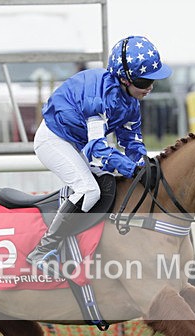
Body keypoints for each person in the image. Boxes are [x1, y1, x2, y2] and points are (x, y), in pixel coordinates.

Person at [26, 35, 172, 271]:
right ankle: (42, 250)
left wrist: (144, 164)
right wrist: (132, 168)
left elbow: (132, 142)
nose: (150, 88)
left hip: (77, 141)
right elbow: (97, 150)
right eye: (144, 82)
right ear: (124, 79)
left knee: (109, 185)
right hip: (55, 139)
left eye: (153, 81)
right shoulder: (99, 97)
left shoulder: (131, 102)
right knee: (90, 190)